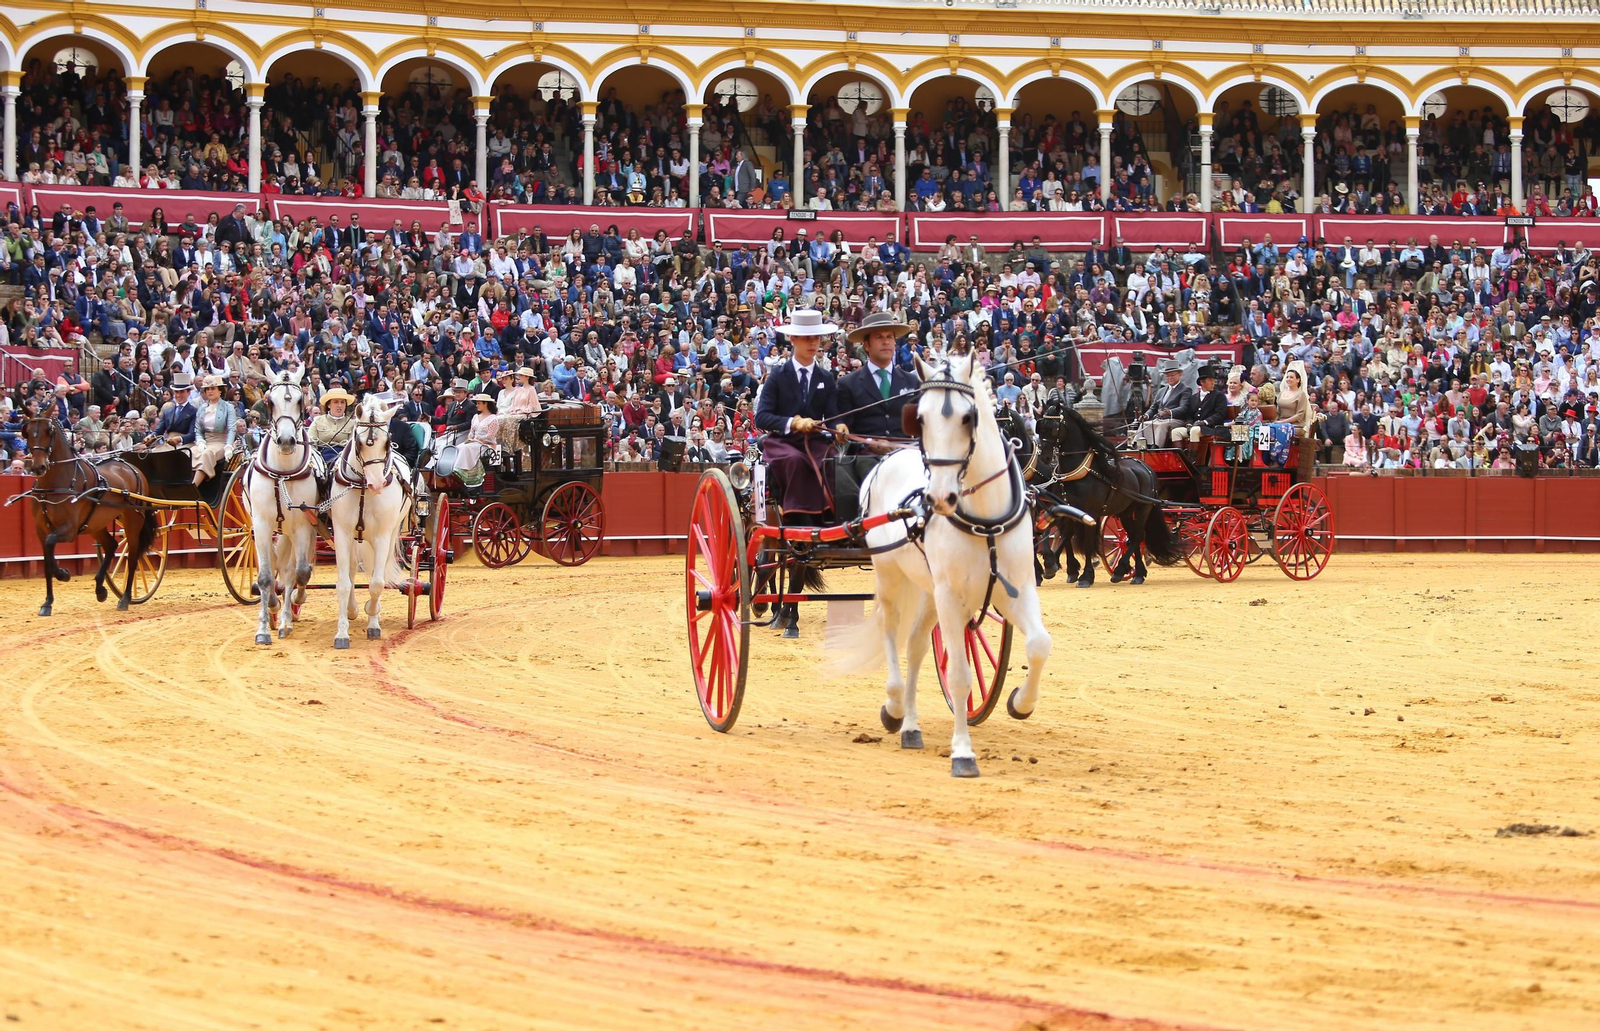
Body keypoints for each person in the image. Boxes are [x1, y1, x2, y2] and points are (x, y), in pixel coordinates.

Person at [753, 307, 841, 636]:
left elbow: (832, 417)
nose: (813, 343)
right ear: (792, 340)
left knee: (833, 459)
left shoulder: (825, 378)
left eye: (817, 337)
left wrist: (839, 425)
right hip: (783, 444)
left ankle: (830, 519)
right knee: (795, 462)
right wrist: (792, 423)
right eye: (806, 338)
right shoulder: (778, 376)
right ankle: (797, 518)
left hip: (817, 443)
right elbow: (763, 417)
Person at [189, 375, 238, 488]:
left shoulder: (228, 407)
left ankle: (193, 487)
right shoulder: (202, 408)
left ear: (220, 390)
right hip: (206, 441)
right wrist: (200, 441)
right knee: (189, 452)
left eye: (213, 388)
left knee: (207, 454)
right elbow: (198, 429)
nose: (210, 391)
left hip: (221, 441)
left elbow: (231, 428)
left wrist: (229, 446)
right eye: (207, 389)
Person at [1139, 360, 1195, 446]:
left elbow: (1183, 408)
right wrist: (1146, 415)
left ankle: (1157, 447)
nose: (1170, 378)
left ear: (1180, 374)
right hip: (1159, 419)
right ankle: (1137, 446)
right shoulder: (1161, 390)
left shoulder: (1185, 389)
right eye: (1167, 375)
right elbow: (1153, 407)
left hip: (1176, 419)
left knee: (1162, 426)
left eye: (1172, 375)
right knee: (1144, 424)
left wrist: (1169, 412)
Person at [1172, 364, 1226, 443]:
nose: (1213, 383)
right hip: (1195, 426)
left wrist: (1205, 422)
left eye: (1213, 380)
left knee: (1194, 431)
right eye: (1210, 380)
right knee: (1175, 432)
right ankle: (1181, 455)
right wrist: (1189, 423)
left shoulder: (1219, 396)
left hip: (1211, 428)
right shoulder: (1193, 398)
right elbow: (1189, 415)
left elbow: (1220, 414)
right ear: (1202, 382)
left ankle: (1194, 455)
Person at [144, 373, 198, 450]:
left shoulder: (194, 411)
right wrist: (151, 436)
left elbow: (193, 434)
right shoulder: (168, 411)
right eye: (176, 392)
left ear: (188, 392)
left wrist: (179, 439)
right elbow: (159, 430)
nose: (178, 395)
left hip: (185, 444)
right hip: (168, 443)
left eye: (182, 392)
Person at [310, 387, 356, 463]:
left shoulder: (352, 423)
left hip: (344, 460)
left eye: (342, 402)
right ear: (328, 405)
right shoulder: (317, 421)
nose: (339, 405)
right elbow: (310, 443)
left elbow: (352, 446)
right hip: (320, 458)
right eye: (335, 402)